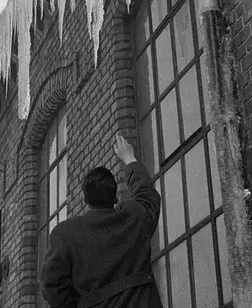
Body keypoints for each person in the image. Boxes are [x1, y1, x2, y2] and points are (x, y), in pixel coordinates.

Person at [39, 132, 164, 308]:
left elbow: (51, 285)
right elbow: (147, 195)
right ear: (115, 197)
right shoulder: (134, 217)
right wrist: (130, 159)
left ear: (86, 200)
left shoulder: (65, 233)